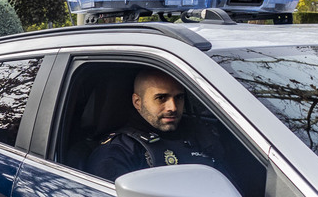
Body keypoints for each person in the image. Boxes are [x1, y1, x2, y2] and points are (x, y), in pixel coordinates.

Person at [86, 69, 223, 181]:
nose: (173, 107)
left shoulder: (201, 134)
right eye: (161, 98)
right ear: (137, 102)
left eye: (179, 97)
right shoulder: (118, 152)